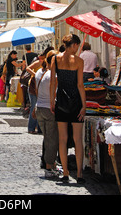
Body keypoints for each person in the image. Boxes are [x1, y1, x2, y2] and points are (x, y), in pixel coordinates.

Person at [50, 33, 86, 184]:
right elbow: (79, 85)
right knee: (77, 139)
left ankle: (65, 172)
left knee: (62, 139)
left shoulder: (55, 59)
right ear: (75, 45)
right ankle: (79, 174)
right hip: (75, 100)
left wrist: (52, 100)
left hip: (61, 102)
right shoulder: (78, 61)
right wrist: (84, 105)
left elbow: (53, 82)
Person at [35, 50, 59, 178]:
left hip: (39, 108)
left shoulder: (39, 72)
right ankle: (49, 165)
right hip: (49, 109)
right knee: (52, 139)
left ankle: (50, 163)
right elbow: (55, 92)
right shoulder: (53, 75)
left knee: (46, 137)